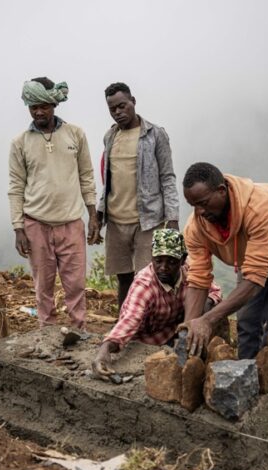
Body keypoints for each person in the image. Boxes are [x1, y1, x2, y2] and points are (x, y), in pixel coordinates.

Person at [180, 162, 268, 360]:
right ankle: (246, 373)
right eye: (194, 206)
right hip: (252, 253)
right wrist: (189, 326)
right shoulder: (195, 228)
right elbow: (199, 278)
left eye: (204, 203)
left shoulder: (259, 208)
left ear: (221, 191)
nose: (199, 212)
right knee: (247, 318)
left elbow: (254, 278)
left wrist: (208, 320)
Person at [9, 77, 100, 330]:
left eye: (44, 106)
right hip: (36, 224)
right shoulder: (20, 142)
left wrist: (92, 215)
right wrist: (18, 228)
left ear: (54, 105)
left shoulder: (75, 134)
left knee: (76, 285)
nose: (38, 111)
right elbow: (16, 186)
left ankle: (78, 332)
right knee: (43, 286)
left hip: (71, 223)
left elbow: (87, 176)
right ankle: (47, 335)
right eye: (33, 106)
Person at [92, 229, 221, 377]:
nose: (163, 268)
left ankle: (199, 356)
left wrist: (201, 314)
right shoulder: (144, 285)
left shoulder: (190, 271)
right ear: (152, 256)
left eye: (171, 262)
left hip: (175, 331)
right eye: (158, 261)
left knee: (209, 308)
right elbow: (129, 320)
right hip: (147, 340)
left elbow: (215, 291)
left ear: (183, 259)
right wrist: (105, 350)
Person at [97, 83, 179, 310]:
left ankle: (151, 326)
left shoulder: (155, 134)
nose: (118, 112)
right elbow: (108, 180)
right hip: (116, 219)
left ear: (133, 101)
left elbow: (168, 177)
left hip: (147, 220)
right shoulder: (110, 136)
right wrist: (99, 213)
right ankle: (125, 323)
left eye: (122, 106)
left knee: (148, 277)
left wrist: (172, 218)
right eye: (112, 109)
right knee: (123, 277)